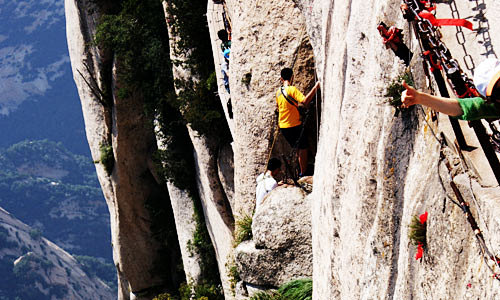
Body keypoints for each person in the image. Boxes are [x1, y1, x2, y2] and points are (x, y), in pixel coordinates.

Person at [401, 58, 500, 120]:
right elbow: (460, 107)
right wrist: (420, 98)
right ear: (492, 100)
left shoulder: (495, 103)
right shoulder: (495, 106)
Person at [276, 67, 320, 177]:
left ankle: (300, 170)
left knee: (298, 147)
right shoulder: (291, 89)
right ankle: (303, 173)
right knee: (303, 148)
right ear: (292, 77)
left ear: (281, 79)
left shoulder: (278, 92)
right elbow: (305, 101)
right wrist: (316, 86)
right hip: (293, 125)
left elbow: (278, 107)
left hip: (283, 126)